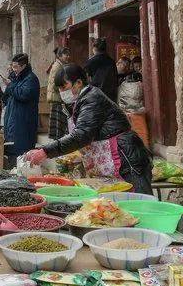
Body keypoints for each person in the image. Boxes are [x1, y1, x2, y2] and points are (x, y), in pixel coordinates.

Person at [24, 64, 152, 194]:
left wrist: (45, 151)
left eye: (64, 87)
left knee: (138, 201)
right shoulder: (79, 101)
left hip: (125, 157)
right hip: (108, 159)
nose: (62, 92)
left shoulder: (92, 98)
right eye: (60, 89)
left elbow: (82, 135)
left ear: (78, 82)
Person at [1, 53, 41, 161]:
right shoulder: (16, 79)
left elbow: (23, 95)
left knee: (22, 156)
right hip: (13, 124)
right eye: (12, 66)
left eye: (15, 67)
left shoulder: (31, 79)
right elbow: (6, 97)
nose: (13, 69)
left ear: (23, 66)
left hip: (23, 125)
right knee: (12, 154)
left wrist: (11, 85)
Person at [46, 47, 72, 139]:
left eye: (69, 54)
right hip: (58, 99)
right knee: (59, 129)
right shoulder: (58, 66)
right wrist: (66, 88)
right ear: (60, 56)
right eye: (66, 55)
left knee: (59, 128)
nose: (68, 57)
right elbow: (55, 84)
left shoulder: (59, 65)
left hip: (57, 99)